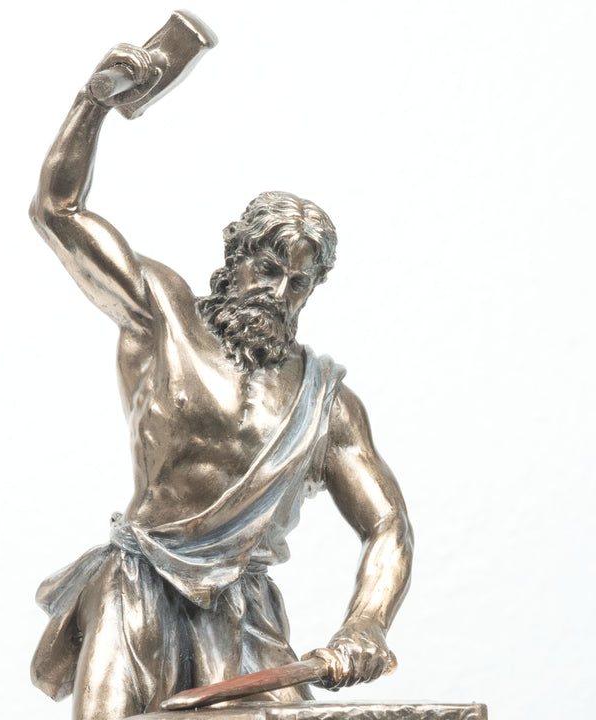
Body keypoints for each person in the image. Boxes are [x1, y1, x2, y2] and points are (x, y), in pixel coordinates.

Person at [29, 44, 414, 720]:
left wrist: (367, 623)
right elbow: (58, 211)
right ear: (235, 257)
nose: (279, 292)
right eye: (268, 269)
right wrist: (94, 103)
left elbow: (387, 524)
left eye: (299, 283)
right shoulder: (161, 318)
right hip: (138, 590)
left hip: (245, 613)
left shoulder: (324, 404)